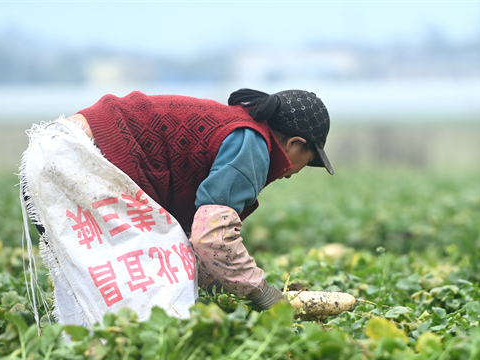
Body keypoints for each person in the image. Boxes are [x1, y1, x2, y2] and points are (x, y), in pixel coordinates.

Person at [54, 88, 333, 313]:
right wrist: (264, 294)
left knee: (140, 275)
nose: (294, 173)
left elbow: (189, 242)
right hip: (81, 154)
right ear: (295, 143)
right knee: (144, 288)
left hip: (63, 144)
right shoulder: (253, 146)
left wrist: (222, 283)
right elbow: (212, 238)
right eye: (306, 163)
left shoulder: (241, 129)